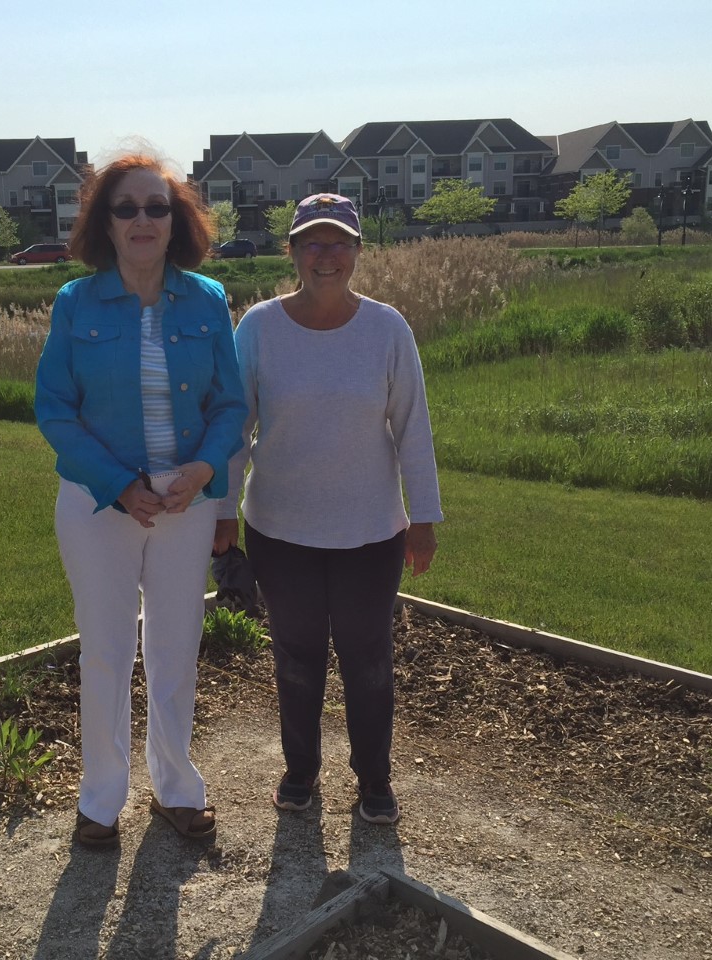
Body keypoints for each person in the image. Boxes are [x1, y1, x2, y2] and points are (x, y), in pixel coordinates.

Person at [35, 154, 247, 847]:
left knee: (176, 648)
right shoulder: (76, 302)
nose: (142, 220)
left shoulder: (208, 299)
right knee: (104, 650)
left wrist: (206, 468)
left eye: (156, 207)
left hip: (183, 506)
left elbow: (230, 403)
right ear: (106, 222)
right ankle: (100, 802)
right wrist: (119, 483)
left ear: (175, 219)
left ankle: (176, 789)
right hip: (101, 506)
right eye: (126, 208)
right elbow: (55, 411)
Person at [214, 193, 442, 825]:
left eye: (339, 243)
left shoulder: (387, 329)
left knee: (369, 661)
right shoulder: (258, 327)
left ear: (358, 253)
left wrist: (422, 517)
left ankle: (374, 781)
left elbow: (412, 428)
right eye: (312, 243)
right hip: (280, 533)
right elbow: (236, 426)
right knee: (297, 656)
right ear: (291, 252)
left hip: (370, 534)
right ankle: (301, 773)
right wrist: (222, 510)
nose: (326, 256)